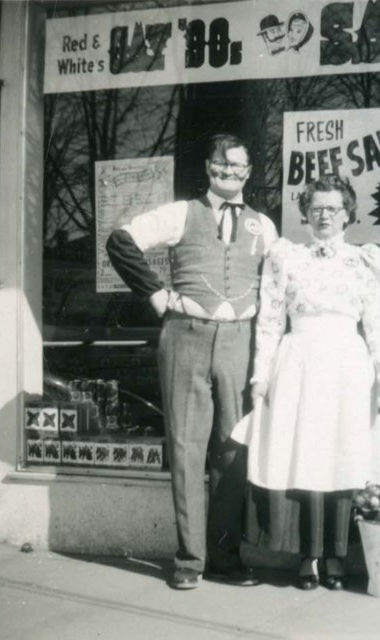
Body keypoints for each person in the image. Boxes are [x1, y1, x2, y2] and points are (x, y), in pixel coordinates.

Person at [105, 134, 277, 590]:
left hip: (242, 339)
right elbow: (120, 242)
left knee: (233, 448)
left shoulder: (265, 225)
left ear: (248, 172)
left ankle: (224, 555)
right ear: (208, 168)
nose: (229, 174)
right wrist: (156, 294)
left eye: (238, 168)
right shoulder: (181, 213)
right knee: (185, 448)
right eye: (222, 166)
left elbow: (277, 291)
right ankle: (189, 559)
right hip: (186, 337)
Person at [241, 173, 380, 591]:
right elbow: (270, 319)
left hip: (348, 362)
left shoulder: (366, 259)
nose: (325, 216)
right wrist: (261, 375)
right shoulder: (285, 256)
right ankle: (308, 556)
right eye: (317, 209)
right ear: (306, 214)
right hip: (300, 363)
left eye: (333, 208)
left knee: (344, 454)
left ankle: (338, 556)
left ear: (348, 214)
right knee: (307, 455)